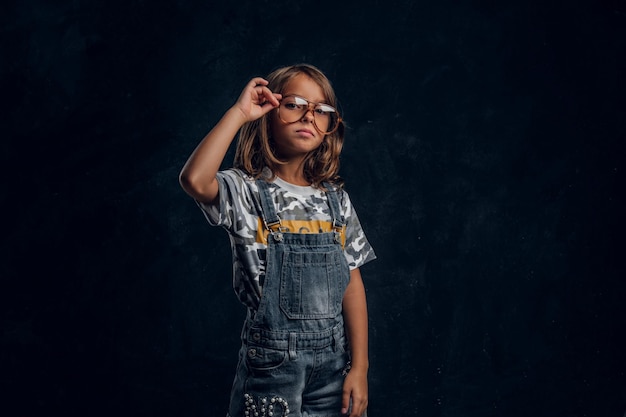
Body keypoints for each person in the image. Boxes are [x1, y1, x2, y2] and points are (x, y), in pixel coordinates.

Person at [179, 63, 376, 417]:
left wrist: (359, 367)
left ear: (331, 128)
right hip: (272, 366)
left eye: (321, 110)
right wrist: (240, 113)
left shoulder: (336, 199)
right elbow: (194, 179)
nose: (308, 116)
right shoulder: (245, 190)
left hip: (334, 365)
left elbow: (352, 285)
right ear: (268, 114)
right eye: (295, 104)